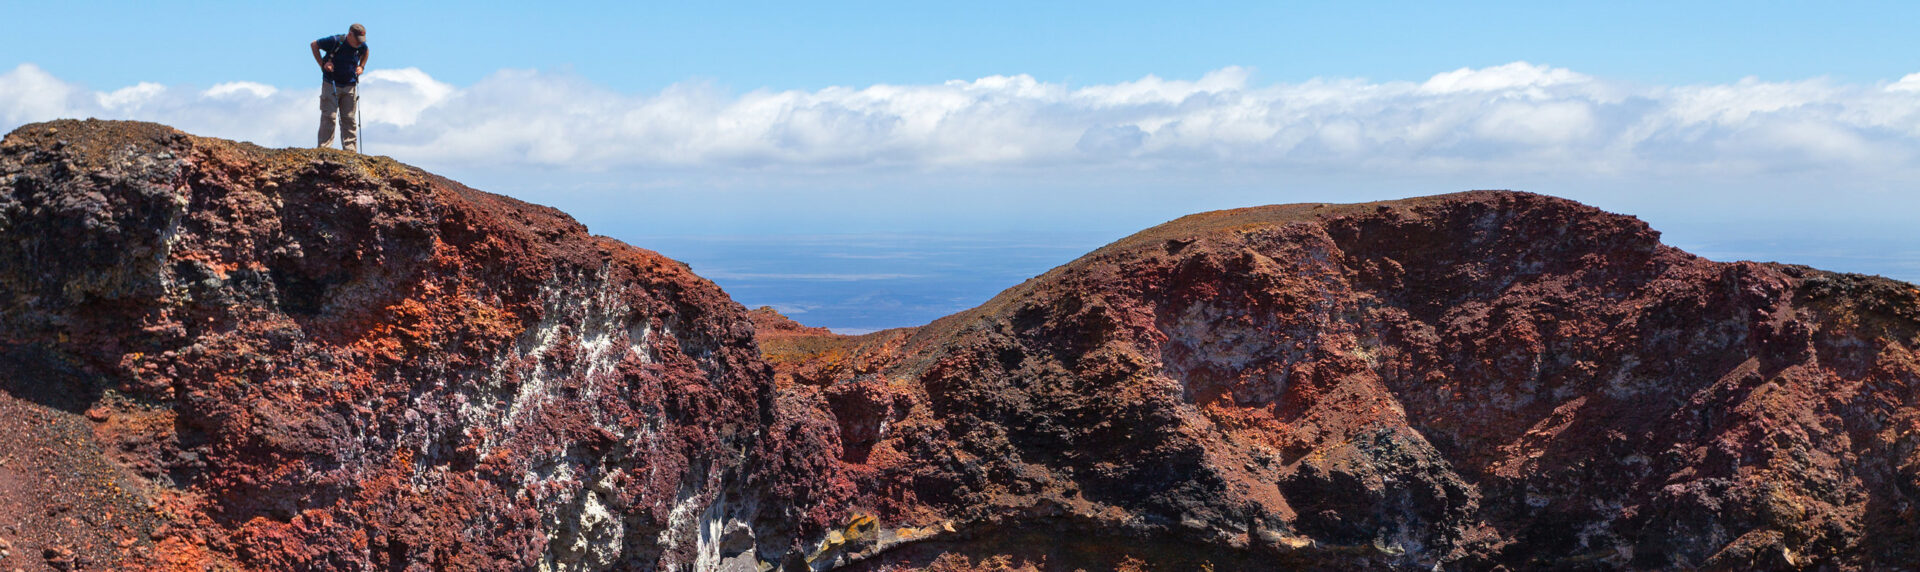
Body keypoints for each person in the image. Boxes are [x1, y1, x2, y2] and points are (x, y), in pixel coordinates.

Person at [311, 24, 369, 152]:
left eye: (362, 40)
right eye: (357, 39)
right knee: (329, 116)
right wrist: (323, 64)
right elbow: (314, 44)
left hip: (350, 85)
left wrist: (362, 66)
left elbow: (366, 52)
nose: (360, 43)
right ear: (350, 35)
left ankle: (350, 150)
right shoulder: (335, 41)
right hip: (331, 83)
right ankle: (324, 149)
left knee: (349, 118)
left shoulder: (361, 45)